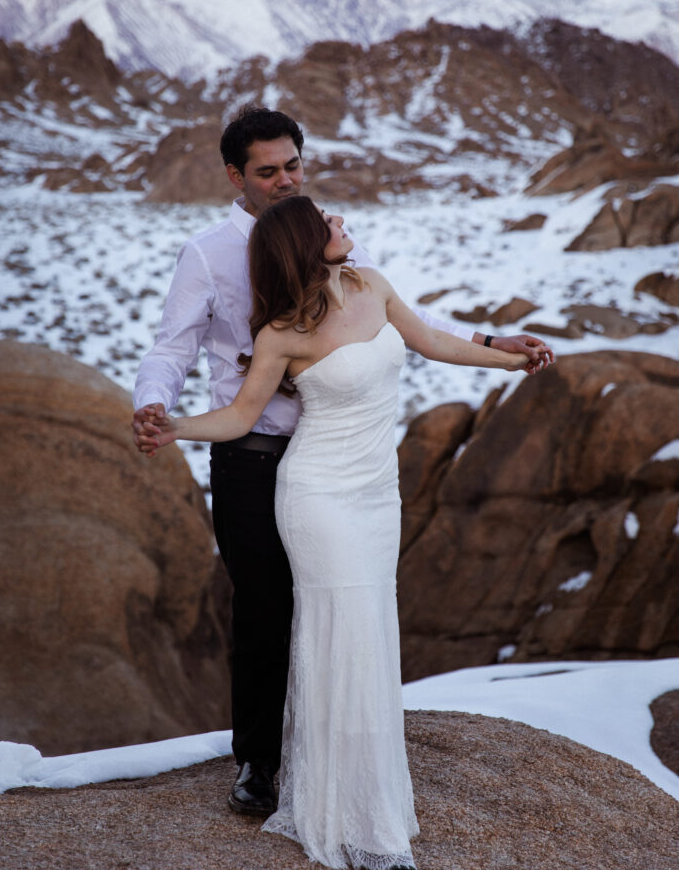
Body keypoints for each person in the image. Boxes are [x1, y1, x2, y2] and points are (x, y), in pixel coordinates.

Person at [131, 106, 553, 818]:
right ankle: (259, 764)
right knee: (266, 612)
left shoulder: (334, 251)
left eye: (294, 164)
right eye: (268, 171)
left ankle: (332, 750)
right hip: (254, 456)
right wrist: (154, 407)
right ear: (236, 177)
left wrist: (491, 340)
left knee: (344, 608)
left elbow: (398, 326)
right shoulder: (206, 253)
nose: (287, 179)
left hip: (339, 460)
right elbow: (173, 348)